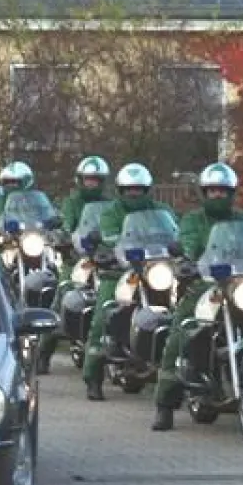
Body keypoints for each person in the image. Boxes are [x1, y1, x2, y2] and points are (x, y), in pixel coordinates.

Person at [149, 162, 243, 431]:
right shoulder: (194, 220)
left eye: (222, 191)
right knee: (180, 334)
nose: (217, 195)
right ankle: (164, 405)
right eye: (212, 191)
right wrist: (186, 262)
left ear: (232, 193)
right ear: (204, 193)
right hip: (205, 286)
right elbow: (189, 243)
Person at [81, 162, 174, 401]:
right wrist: (111, 248)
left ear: (147, 190)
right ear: (120, 190)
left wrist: (178, 246)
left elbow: (175, 232)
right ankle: (93, 375)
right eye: (129, 189)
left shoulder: (161, 209)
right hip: (120, 270)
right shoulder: (111, 212)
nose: (134, 193)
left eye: (139, 189)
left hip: (158, 269)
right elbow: (109, 235)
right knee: (103, 314)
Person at [37, 155, 112, 373]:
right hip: (77, 257)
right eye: (88, 179)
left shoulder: (110, 204)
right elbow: (67, 224)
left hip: (104, 257)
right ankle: (44, 352)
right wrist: (66, 237)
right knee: (62, 295)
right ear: (80, 180)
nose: (91, 184)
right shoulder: (72, 202)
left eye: (96, 180)